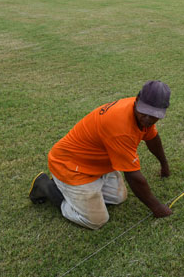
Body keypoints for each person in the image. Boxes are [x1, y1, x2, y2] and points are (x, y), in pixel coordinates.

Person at [29, 80, 173, 230]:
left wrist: (164, 164)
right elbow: (133, 177)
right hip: (70, 165)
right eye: (145, 113)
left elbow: (152, 138)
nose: (148, 119)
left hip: (96, 165)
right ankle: (47, 186)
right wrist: (157, 208)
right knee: (96, 220)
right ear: (137, 101)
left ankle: (78, 191)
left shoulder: (141, 116)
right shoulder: (120, 126)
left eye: (154, 115)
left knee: (119, 198)